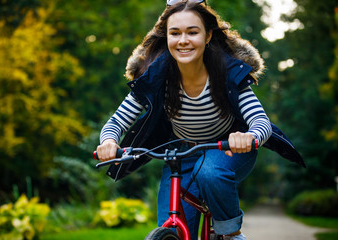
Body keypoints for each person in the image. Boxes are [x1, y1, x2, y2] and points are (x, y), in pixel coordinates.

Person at [96, 1, 304, 239]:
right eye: (175, 33)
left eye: (192, 32)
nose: (183, 40)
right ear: (166, 38)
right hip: (180, 155)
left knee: (210, 172)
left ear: (208, 36)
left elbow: (260, 121)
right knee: (170, 229)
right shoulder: (155, 78)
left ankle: (231, 233)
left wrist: (249, 136)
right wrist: (109, 141)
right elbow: (116, 122)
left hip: (226, 150)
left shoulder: (227, 72)